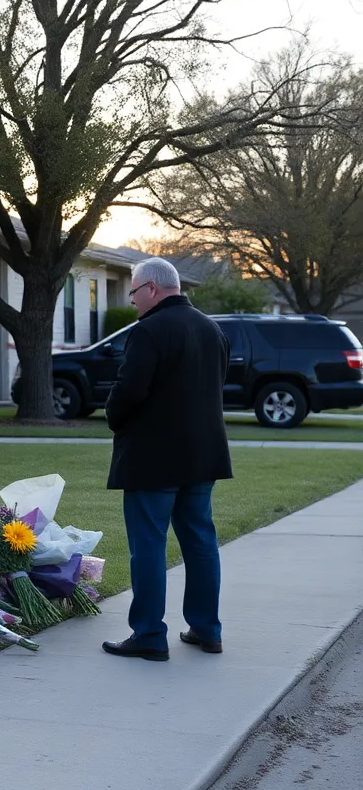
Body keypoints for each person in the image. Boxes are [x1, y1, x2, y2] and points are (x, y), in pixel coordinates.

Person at [101, 257, 232, 662]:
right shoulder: (212, 330)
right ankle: (207, 630)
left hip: (153, 458)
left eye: (135, 292)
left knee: (149, 546)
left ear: (153, 289)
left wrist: (112, 415)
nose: (134, 301)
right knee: (201, 542)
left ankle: (149, 635)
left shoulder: (149, 330)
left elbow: (130, 390)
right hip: (203, 455)